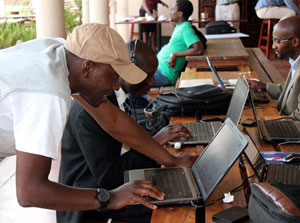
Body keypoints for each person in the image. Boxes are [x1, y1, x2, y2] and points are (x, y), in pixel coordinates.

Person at [0, 23, 194, 219]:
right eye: (114, 77)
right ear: (88, 68)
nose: (117, 86)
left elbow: (113, 121)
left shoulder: (65, 53)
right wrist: (110, 197)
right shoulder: (47, 92)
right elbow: (30, 192)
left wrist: (169, 159)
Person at [57, 40, 191, 223]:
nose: (152, 82)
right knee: (176, 206)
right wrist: (156, 146)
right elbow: (110, 177)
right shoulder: (91, 109)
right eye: (148, 75)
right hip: (90, 206)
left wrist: (153, 143)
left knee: (179, 194)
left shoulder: (112, 97)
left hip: (109, 188)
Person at [248, 16, 300, 120]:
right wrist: (263, 86)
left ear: (295, 42)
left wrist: (273, 121)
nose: (273, 46)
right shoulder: (295, 61)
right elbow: (290, 91)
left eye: (277, 41)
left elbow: (298, 118)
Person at [154, 0, 204, 86]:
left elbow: (198, 49)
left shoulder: (185, 29)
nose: (170, 12)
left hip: (165, 74)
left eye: (173, 9)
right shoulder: (180, 26)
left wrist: (174, 54)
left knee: (132, 82)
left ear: (180, 14)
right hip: (160, 70)